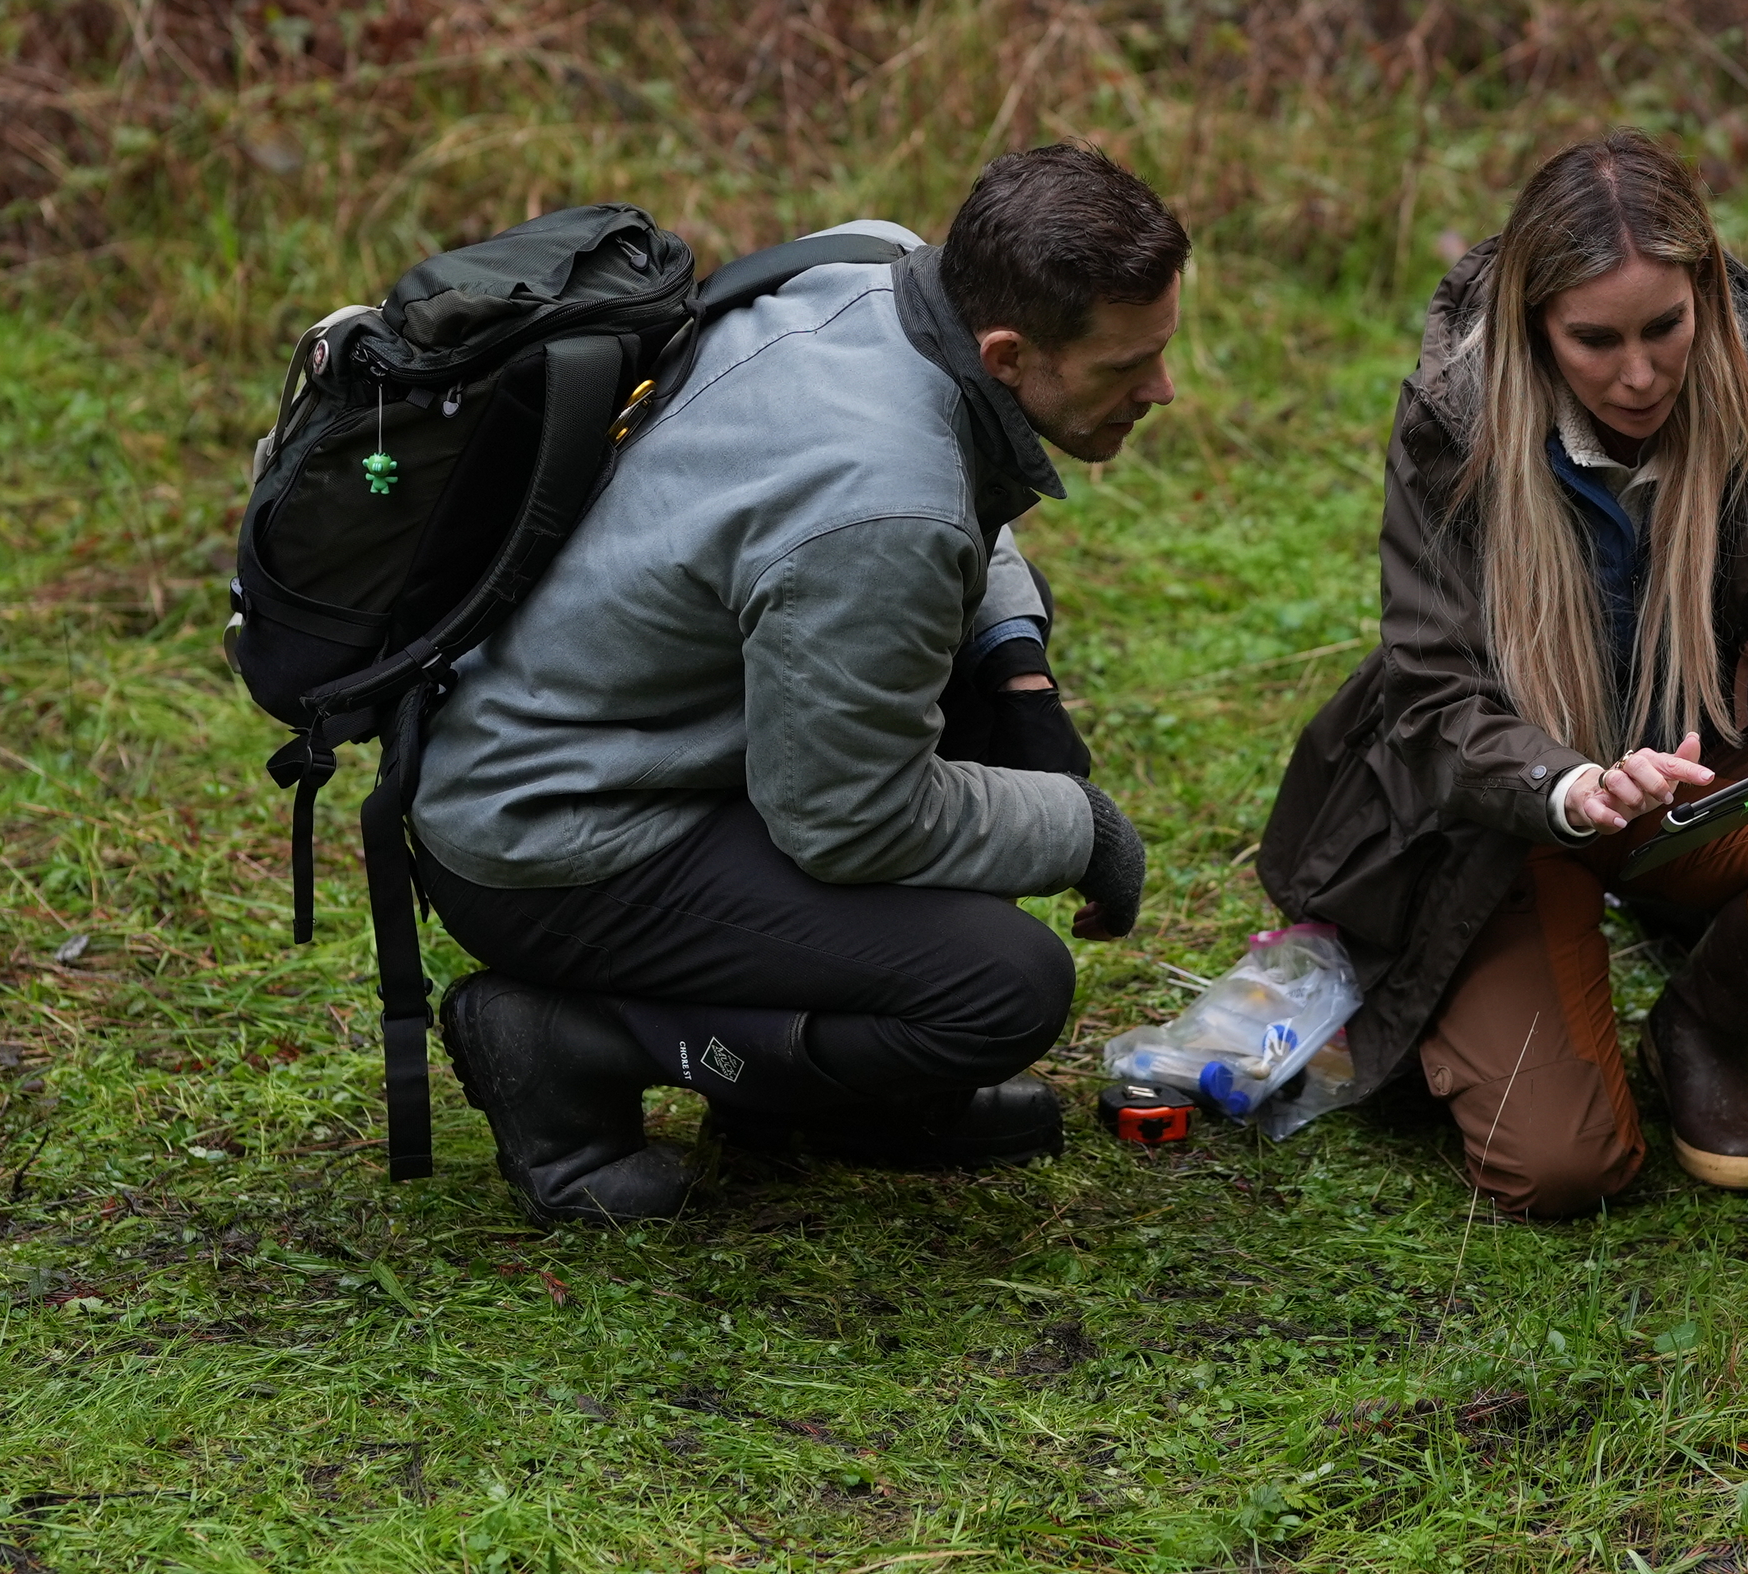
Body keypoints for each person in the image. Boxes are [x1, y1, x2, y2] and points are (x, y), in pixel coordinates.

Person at [408, 143, 1185, 1224]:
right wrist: (1082, 826)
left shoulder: (882, 267)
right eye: (1124, 369)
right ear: (1006, 352)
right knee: (1003, 985)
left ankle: (834, 1090)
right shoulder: (882, 505)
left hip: (597, 736)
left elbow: (956, 514)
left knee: (972, 677)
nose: (1163, 389)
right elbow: (850, 821)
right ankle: (575, 1043)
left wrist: (1019, 670)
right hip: (552, 839)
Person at [1259, 130, 1748, 1215]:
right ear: (1538, 327)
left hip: (1701, 779)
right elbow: (1435, 694)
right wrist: (1569, 789)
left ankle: (1706, 1027)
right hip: (1510, 820)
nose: (1638, 374)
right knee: (1564, 1169)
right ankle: (1500, 983)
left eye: (1666, 329)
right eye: (1594, 340)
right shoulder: (1455, 419)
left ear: (1706, 293)